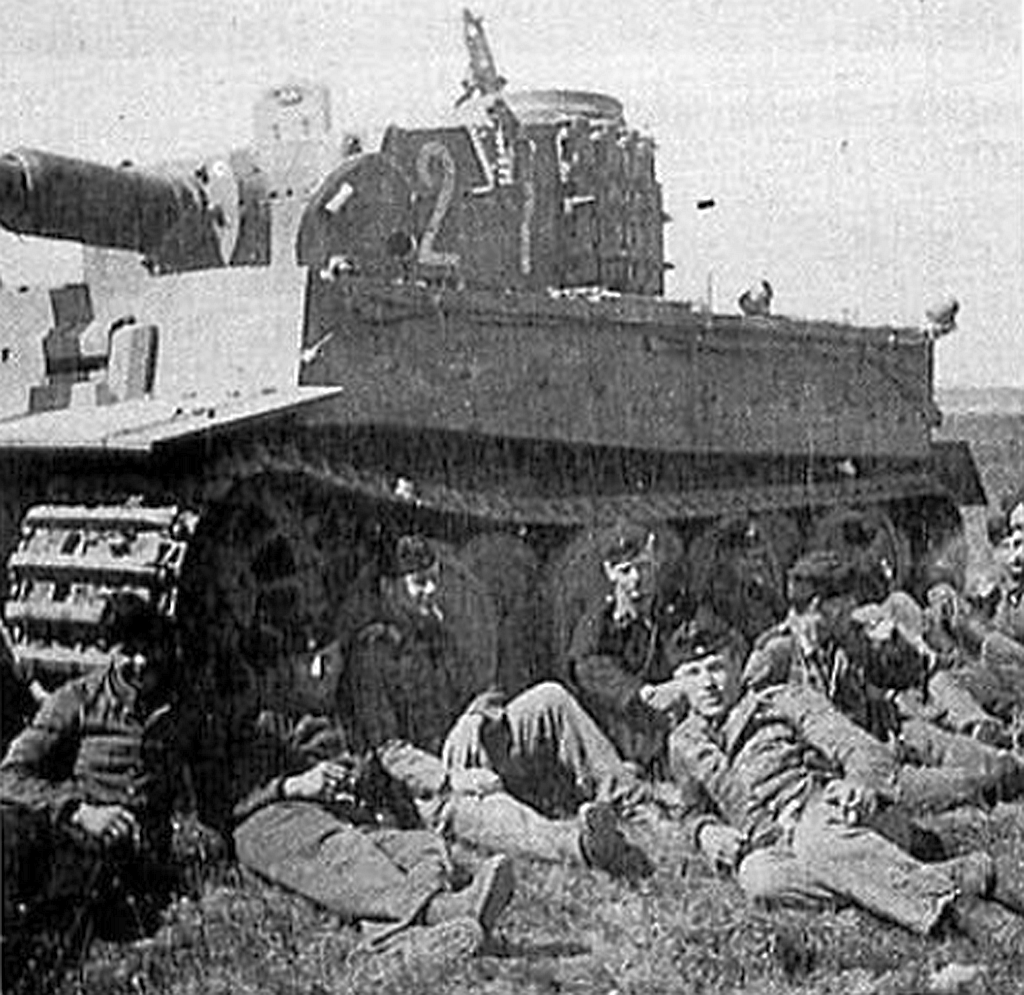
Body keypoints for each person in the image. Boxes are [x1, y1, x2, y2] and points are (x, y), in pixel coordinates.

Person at [665, 607, 1024, 941]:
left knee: (816, 840)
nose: (706, 683)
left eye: (715, 667)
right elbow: (691, 811)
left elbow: (862, 749)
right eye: (692, 674)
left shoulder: (782, 700)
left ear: (736, 662)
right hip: (781, 844)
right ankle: (955, 876)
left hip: (844, 815)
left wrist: (857, 785)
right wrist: (704, 832)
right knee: (759, 879)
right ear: (678, 683)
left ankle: (959, 910)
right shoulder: (683, 742)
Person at [337, 534, 651, 875]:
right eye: (420, 583)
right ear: (389, 589)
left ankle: (633, 801)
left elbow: (486, 690)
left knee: (551, 698)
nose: (432, 590)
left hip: (466, 750)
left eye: (435, 579)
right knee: (488, 809)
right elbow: (388, 750)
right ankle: (582, 845)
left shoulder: (435, 630)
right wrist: (450, 779)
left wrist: (474, 715)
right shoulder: (371, 655)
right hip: (425, 788)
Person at [743, 551, 1024, 813]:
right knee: (970, 783)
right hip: (853, 766)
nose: (854, 608)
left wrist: (893, 647)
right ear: (821, 605)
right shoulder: (776, 656)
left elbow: (907, 676)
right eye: (846, 602)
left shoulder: (847, 636)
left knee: (993, 763)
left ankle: (1007, 768)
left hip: (888, 728)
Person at [1, 593, 185, 983]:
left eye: (150, 648)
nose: (141, 662)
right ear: (110, 652)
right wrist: (79, 811)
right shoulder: (79, 699)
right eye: (128, 652)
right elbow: (9, 775)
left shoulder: (183, 706)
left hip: (128, 859)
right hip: (75, 829)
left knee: (58, 920)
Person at [567, 525, 689, 773]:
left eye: (643, 567)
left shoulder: (673, 610)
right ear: (610, 572)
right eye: (626, 570)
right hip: (623, 727)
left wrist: (684, 681)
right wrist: (639, 692)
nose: (637, 579)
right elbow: (584, 668)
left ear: (655, 563)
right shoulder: (599, 622)